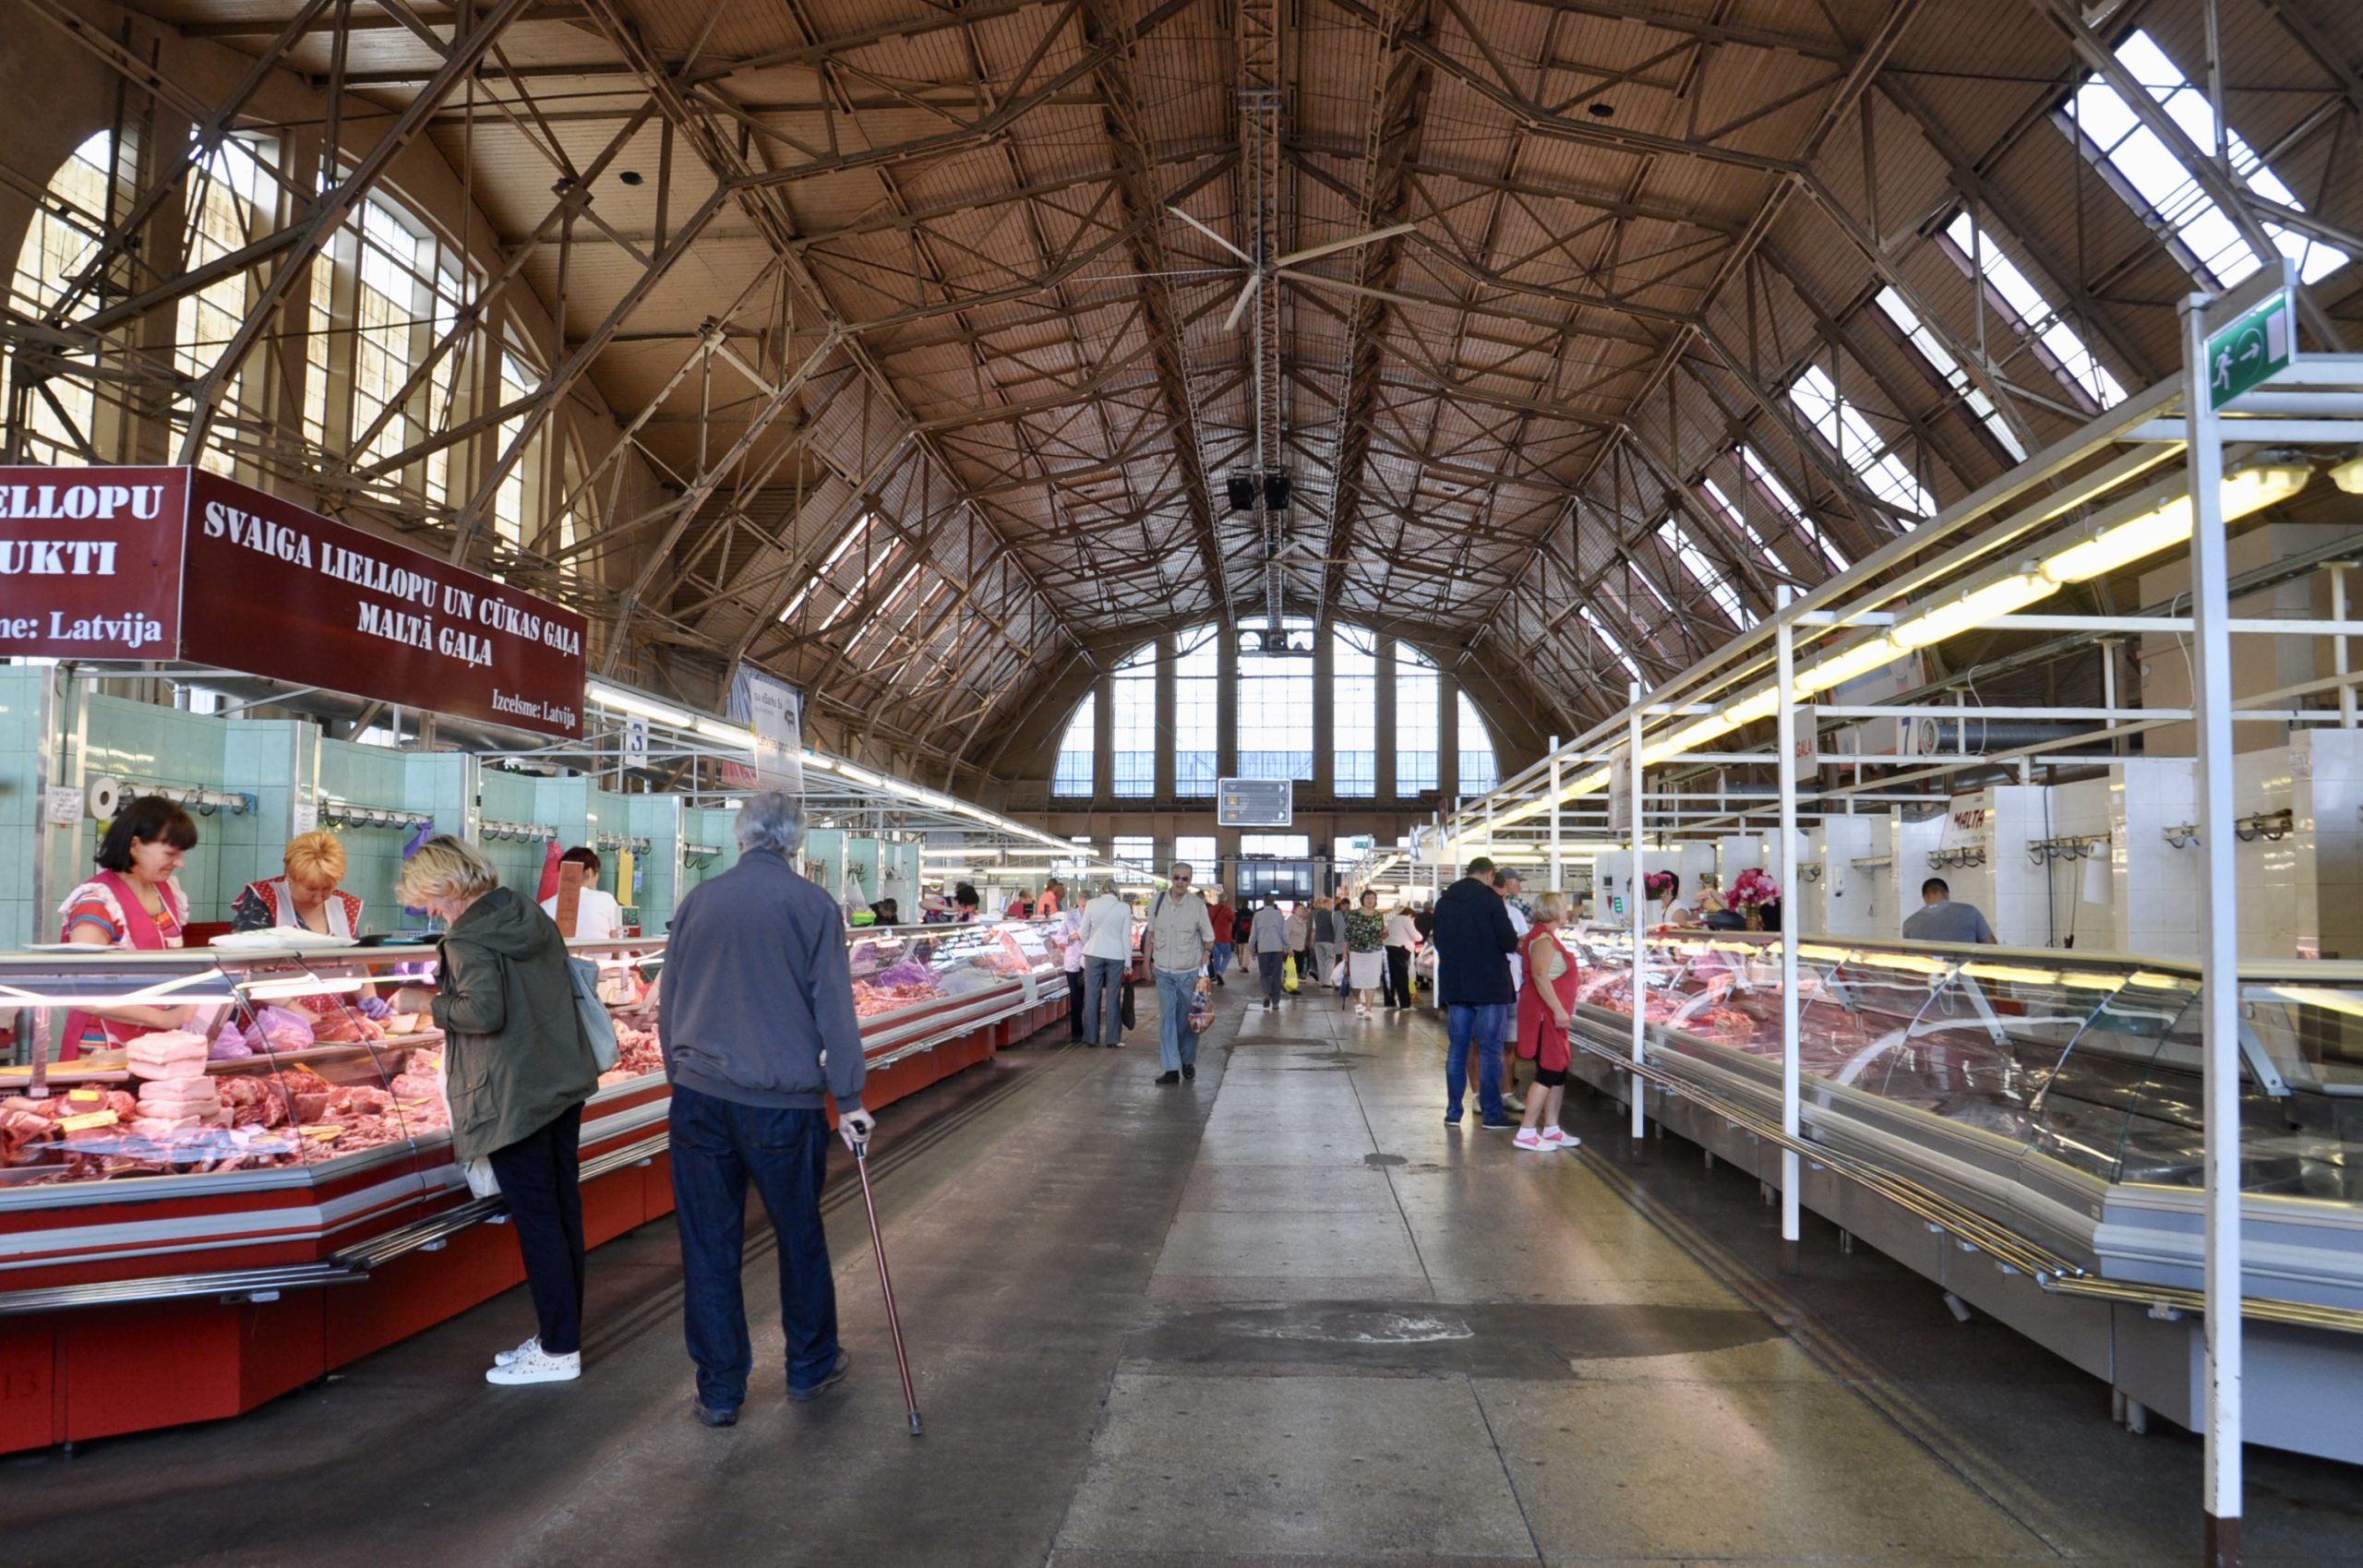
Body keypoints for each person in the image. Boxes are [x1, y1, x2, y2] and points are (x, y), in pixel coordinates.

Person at [654, 793, 875, 1424]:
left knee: (708, 1244)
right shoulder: (812, 905)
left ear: (741, 835)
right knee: (799, 1235)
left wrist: (682, 1073)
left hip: (699, 1100)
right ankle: (809, 1366)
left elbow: (670, 1002)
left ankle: (720, 1390)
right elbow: (835, 1007)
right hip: (783, 1104)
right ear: (796, 843)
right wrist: (851, 1098)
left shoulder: (698, 901)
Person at [398, 836, 600, 1388]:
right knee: (561, 1214)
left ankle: (559, 1350)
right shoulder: (522, 911)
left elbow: (483, 1011)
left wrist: (424, 1002)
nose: (431, 910)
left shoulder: (466, 938)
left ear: (448, 887)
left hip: (512, 1094)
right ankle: (561, 1336)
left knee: (538, 1222)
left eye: (430, 899)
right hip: (557, 1079)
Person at [57, 796, 200, 1058]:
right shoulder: (97, 902)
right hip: (103, 1047)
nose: (180, 863)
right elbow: (79, 992)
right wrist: (165, 1020)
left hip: (153, 1044)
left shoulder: (167, 892)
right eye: (170, 853)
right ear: (135, 845)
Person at [1432, 856, 1518, 1129]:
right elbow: (1507, 941)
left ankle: (1453, 1113)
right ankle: (1492, 1114)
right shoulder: (1491, 900)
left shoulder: (1444, 902)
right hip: (1489, 985)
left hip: (1456, 985)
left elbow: (1439, 942)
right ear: (1491, 874)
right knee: (1491, 1051)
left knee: (1457, 1050)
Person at [1512, 892, 1583, 1153]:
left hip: (1550, 1014)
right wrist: (1558, 1010)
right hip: (1546, 1015)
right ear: (1554, 911)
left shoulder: (1545, 935)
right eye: (1564, 908)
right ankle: (1527, 1131)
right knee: (1548, 1072)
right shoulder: (1542, 939)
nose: (1566, 911)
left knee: (1558, 1073)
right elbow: (1541, 976)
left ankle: (1552, 1129)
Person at [1141, 863, 1215, 1084]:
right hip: (1163, 971)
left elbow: (1209, 937)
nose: (1181, 882)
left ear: (1190, 881)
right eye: (1177, 878)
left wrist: (1207, 952)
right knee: (1167, 1020)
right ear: (1171, 878)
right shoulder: (1157, 901)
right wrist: (1146, 962)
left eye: (1185, 879)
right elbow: (1151, 935)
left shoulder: (1197, 906)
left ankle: (1187, 1060)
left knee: (1188, 1020)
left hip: (1189, 972)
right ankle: (1171, 1069)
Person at [231, 829, 365, 936]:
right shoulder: (263, 897)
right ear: (289, 875)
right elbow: (245, 957)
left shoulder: (345, 905)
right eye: (311, 889)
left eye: (327, 888)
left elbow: (357, 962)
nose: (318, 898)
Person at [1078, 880, 1133, 1046]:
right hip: (1116, 955)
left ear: (1102, 890)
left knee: (1091, 996)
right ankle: (1113, 1038)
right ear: (1116, 890)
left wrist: (1092, 942)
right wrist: (1128, 963)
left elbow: (1082, 931)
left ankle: (1090, 1037)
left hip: (1093, 953)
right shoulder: (1124, 907)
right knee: (1113, 996)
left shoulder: (1092, 904)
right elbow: (1126, 937)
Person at [540, 846, 624, 940]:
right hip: (596, 954)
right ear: (590, 873)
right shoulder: (605, 899)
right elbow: (617, 941)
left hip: (560, 954)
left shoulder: (544, 906)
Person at [1903, 877, 1997, 944]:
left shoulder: (1909, 923)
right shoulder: (1969, 911)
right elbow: (1991, 946)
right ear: (1947, 894)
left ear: (1924, 897)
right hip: (1966, 970)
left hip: (1930, 971)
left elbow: (1909, 958)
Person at [1344, 890, 1387, 1018]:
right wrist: (1344, 952)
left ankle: (1368, 1008)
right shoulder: (1353, 914)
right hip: (1356, 951)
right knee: (1356, 979)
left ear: (1375, 901)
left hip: (1374, 951)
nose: (1370, 900)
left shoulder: (1378, 915)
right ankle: (1358, 1000)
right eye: (1367, 898)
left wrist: (1385, 933)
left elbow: (1382, 935)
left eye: (1372, 898)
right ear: (1363, 899)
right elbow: (1347, 933)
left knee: (1372, 980)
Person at [1054, 894, 1087, 1041]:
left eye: (1088, 906)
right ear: (1078, 902)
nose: (1085, 908)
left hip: (1090, 961)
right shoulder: (1070, 916)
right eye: (1082, 905)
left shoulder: (1096, 917)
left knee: (1090, 998)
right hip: (1073, 963)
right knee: (1076, 998)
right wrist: (1070, 938)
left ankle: (1090, 1030)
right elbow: (1058, 938)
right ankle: (1077, 1032)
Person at [1249, 895, 1290, 1011]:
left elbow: (1253, 935)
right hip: (1278, 950)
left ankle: (1266, 993)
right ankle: (1276, 1003)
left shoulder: (1257, 916)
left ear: (1264, 902)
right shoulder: (1279, 915)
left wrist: (1252, 950)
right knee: (1276, 976)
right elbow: (1284, 934)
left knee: (1264, 974)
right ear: (1273, 902)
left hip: (1263, 950)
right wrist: (1288, 947)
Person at [1382, 901, 1418, 1010]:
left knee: (1389, 977)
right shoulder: (1405, 919)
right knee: (1402, 977)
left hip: (1388, 948)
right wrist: (1419, 937)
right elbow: (1416, 936)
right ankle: (1405, 1004)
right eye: (1413, 919)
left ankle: (1390, 1003)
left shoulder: (1393, 920)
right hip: (1400, 949)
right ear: (1411, 915)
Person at [1312, 895, 1343, 1000]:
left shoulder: (1317, 915)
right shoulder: (1332, 915)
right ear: (1328, 904)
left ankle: (1322, 981)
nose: (1332, 905)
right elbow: (1336, 928)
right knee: (1330, 960)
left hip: (1318, 940)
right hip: (1329, 940)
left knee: (1320, 961)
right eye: (1332, 904)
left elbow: (1314, 929)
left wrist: (1313, 941)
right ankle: (1328, 981)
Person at [1205, 889, 1236, 987]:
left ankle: (1214, 975)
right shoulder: (1227, 910)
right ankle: (1220, 972)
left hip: (1213, 938)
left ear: (1217, 900)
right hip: (1225, 937)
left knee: (1217, 957)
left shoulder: (1211, 909)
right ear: (1225, 900)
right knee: (1227, 956)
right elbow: (1233, 919)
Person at [1283, 901, 1310, 996]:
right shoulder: (1290, 921)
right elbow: (1285, 935)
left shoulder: (1302, 921)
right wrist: (1288, 949)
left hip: (1300, 948)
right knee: (1292, 970)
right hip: (1292, 949)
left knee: (1298, 969)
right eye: (1300, 909)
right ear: (1295, 910)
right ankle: (1290, 987)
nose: (1302, 910)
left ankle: (1292, 986)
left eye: (1303, 909)